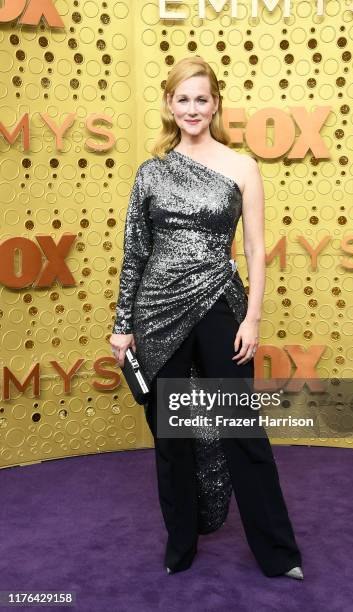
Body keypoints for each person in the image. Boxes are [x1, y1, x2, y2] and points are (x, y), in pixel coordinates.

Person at [109, 56, 304, 580]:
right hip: (156, 315)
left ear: (215, 104)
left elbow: (257, 250)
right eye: (182, 99)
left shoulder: (242, 165)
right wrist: (123, 323)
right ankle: (181, 547)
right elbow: (135, 252)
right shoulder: (150, 172)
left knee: (242, 429)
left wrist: (254, 319)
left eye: (201, 98)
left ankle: (279, 554)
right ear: (169, 105)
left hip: (222, 304)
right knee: (172, 438)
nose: (192, 108)